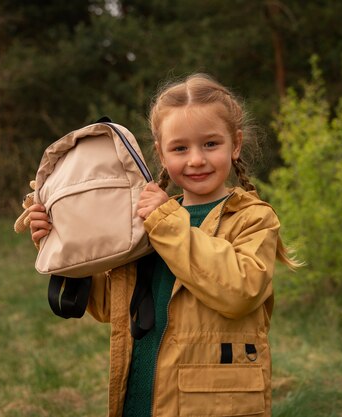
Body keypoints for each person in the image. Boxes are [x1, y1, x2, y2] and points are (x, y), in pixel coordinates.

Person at [28, 73, 299, 417]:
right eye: (180, 148)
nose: (196, 159)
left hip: (212, 405)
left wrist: (166, 222)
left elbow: (239, 290)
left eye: (211, 144)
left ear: (236, 144)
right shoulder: (149, 221)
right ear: (160, 153)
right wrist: (63, 248)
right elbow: (112, 307)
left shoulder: (252, 218)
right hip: (141, 397)